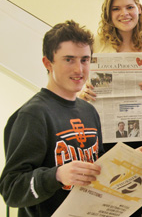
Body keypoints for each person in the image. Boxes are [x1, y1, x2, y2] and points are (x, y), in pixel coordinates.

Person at [0, 20, 104, 216]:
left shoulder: (89, 111)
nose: (79, 70)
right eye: (69, 59)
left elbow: (98, 165)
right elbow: (11, 189)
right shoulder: (32, 115)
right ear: (48, 63)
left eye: (85, 60)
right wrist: (56, 175)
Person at [78, 0, 142, 146]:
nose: (124, 13)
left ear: (139, 9)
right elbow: (76, 80)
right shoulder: (94, 44)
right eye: (116, 9)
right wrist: (82, 93)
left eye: (129, 7)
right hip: (102, 128)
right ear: (108, 14)